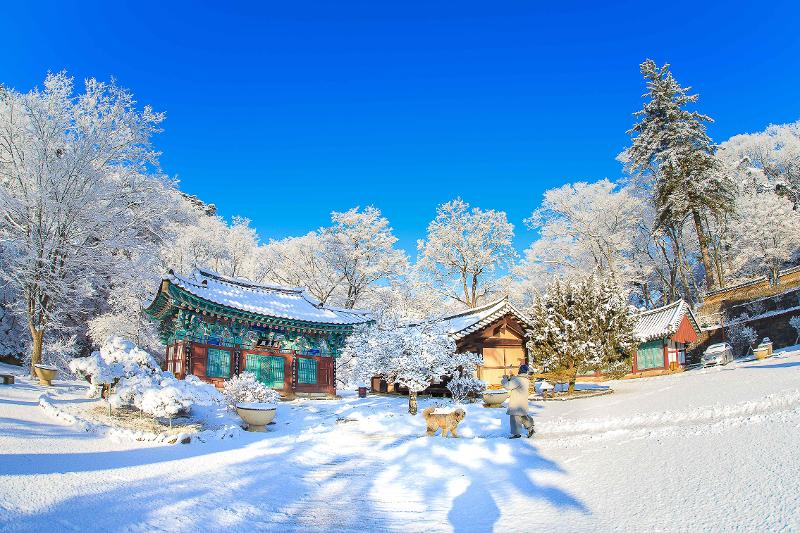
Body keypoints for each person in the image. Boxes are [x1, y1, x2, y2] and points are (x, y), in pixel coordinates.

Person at [501, 372, 535, 439]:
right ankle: (530, 427)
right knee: (522, 416)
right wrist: (511, 378)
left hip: (516, 403)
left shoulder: (518, 380)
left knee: (515, 418)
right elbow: (515, 383)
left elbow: (508, 386)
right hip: (522, 402)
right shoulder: (525, 379)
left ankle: (516, 434)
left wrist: (505, 379)